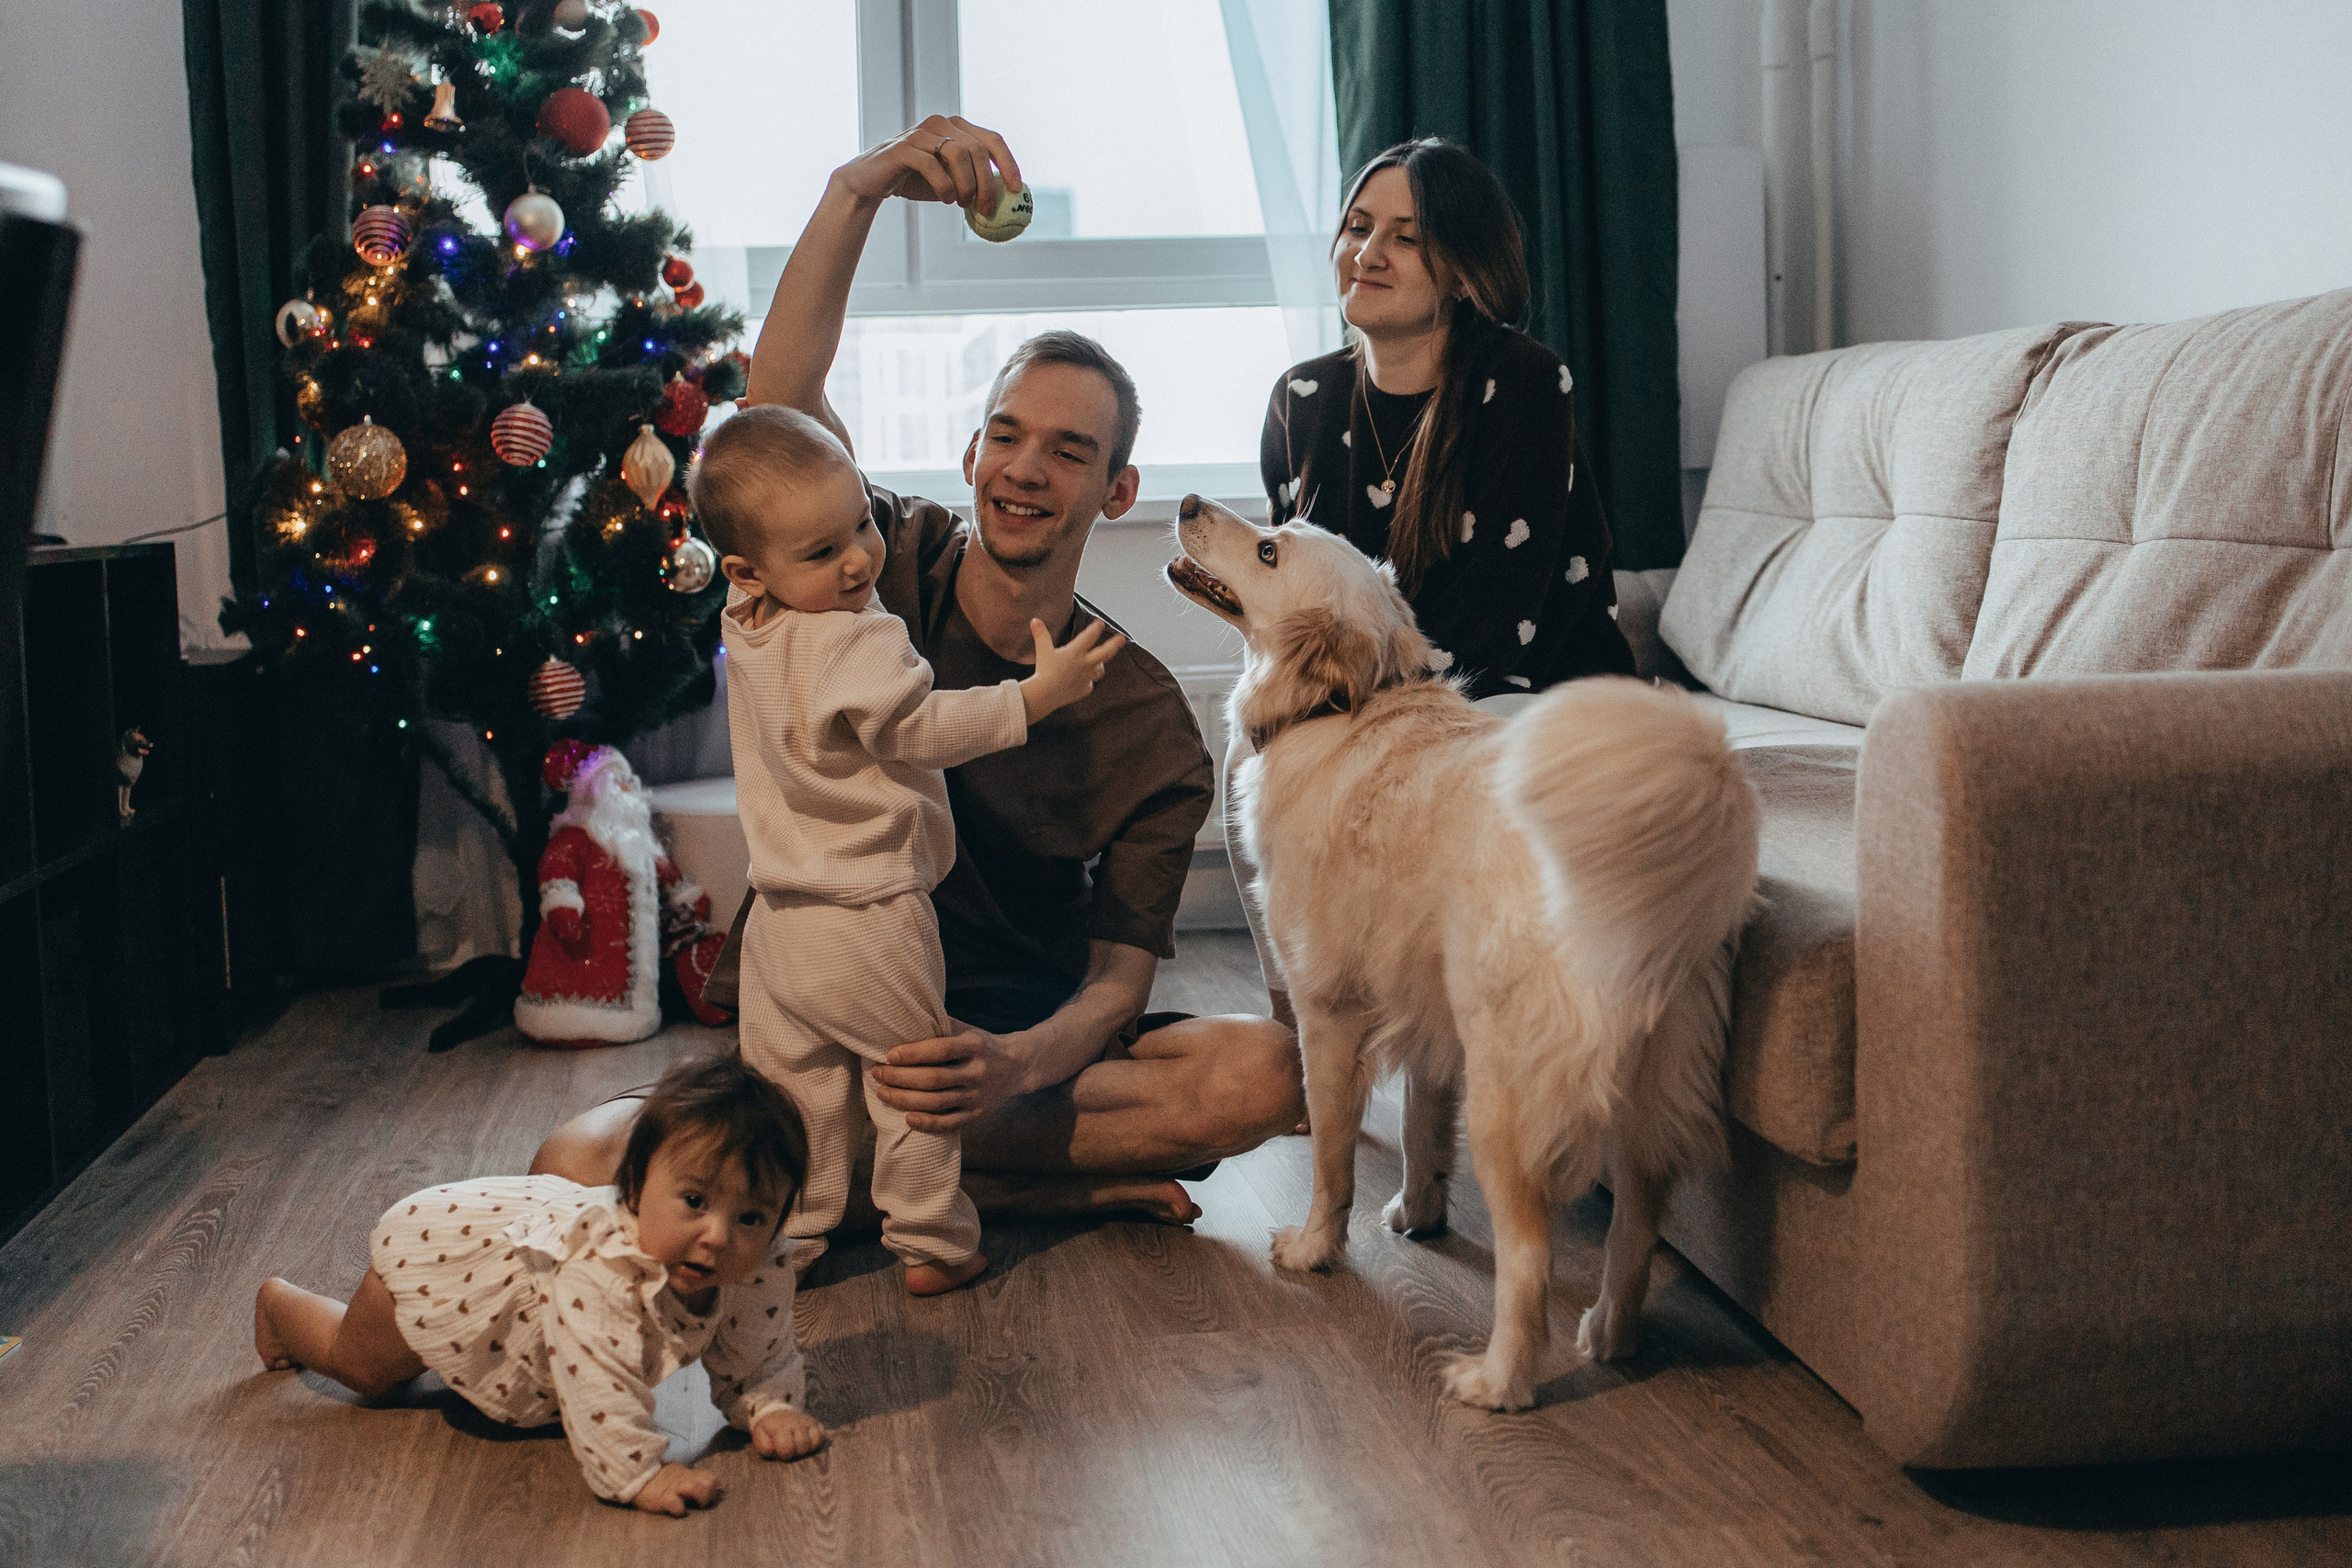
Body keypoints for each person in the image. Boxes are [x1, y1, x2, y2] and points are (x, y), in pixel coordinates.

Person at [533, 115, 1303, 1227]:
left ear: (1117, 492)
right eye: (1008, 436)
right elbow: (777, 408)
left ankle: (880, 1175)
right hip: (828, 1014)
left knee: (1265, 1077)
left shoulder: (1146, 717)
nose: (1026, 469)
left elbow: (1118, 982)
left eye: (1069, 452)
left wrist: (1016, 1062)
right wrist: (860, 188)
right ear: (971, 455)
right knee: (573, 1159)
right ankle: (992, 1185)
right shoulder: (872, 561)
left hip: (1001, 1055)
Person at [690, 402, 1124, 1295]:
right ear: (749, 569)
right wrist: (1033, 698)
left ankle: (792, 1240)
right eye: (824, 551)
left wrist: (807, 531)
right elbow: (919, 728)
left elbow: (781, 514)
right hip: (868, 915)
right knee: (912, 1085)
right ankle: (932, 1240)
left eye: (862, 524)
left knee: (796, 1097)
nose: (858, 561)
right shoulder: (858, 635)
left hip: (778, 925)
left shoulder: (750, 619)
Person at [1237, 137, 1641, 1032]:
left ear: (1461, 270)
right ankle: (1303, 1036)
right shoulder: (1302, 398)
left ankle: (1444, 1055)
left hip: (1524, 694)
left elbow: (1497, 624)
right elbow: (1285, 607)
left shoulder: (1525, 382)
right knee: (1254, 759)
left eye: (1407, 237)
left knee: (1455, 779)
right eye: (1357, 226)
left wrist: (1358, 727)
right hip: (1371, 702)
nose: (1368, 252)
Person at [252, 1054, 826, 1517]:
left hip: (521, 1316)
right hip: (451, 1270)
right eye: (694, 1201)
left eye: (752, 1216)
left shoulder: (754, 1263)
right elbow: (600, 1377)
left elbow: (760, 1344)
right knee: (367, 1372)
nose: (719, 1236)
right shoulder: (600, 1269)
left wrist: (768, 1405)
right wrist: (640, 1473)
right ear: (634, 1186)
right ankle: (281, 1307)